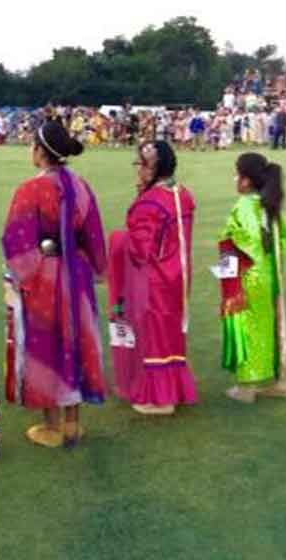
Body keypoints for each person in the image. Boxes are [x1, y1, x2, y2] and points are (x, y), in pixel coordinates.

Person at [2, 120, 107, 449]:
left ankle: (50, 426)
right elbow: (93, 234)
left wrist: (22, 275)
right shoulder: (81, 186)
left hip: (44, 275)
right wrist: (95, 268)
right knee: (76, 338)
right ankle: (73, 422)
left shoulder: (30, 190)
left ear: (39, 151)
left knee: (47, 342)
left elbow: (16, 239)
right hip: (76, 274)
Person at [107, 141, 198, 415]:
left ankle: (160, 399)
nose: (138, 169)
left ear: (154, 169)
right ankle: (172, 390)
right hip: (178, 273)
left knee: (154, 333)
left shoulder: (149, 203)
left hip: (155, 278)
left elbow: (139, 249)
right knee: (171, 331)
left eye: (142, 164)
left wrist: (116, 240)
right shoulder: (182, 194)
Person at [218, 152, 286, 403]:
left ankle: (246, 387)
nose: (233, 179)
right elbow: (281, 239)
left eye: (236, 174)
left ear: (245, 180)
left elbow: (246, 242)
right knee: (270, 325)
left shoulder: (244, 205)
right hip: (269, 273)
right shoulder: (267, 203)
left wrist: (230, 274)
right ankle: (282, 380)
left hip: (248, 275)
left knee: (247, 328)